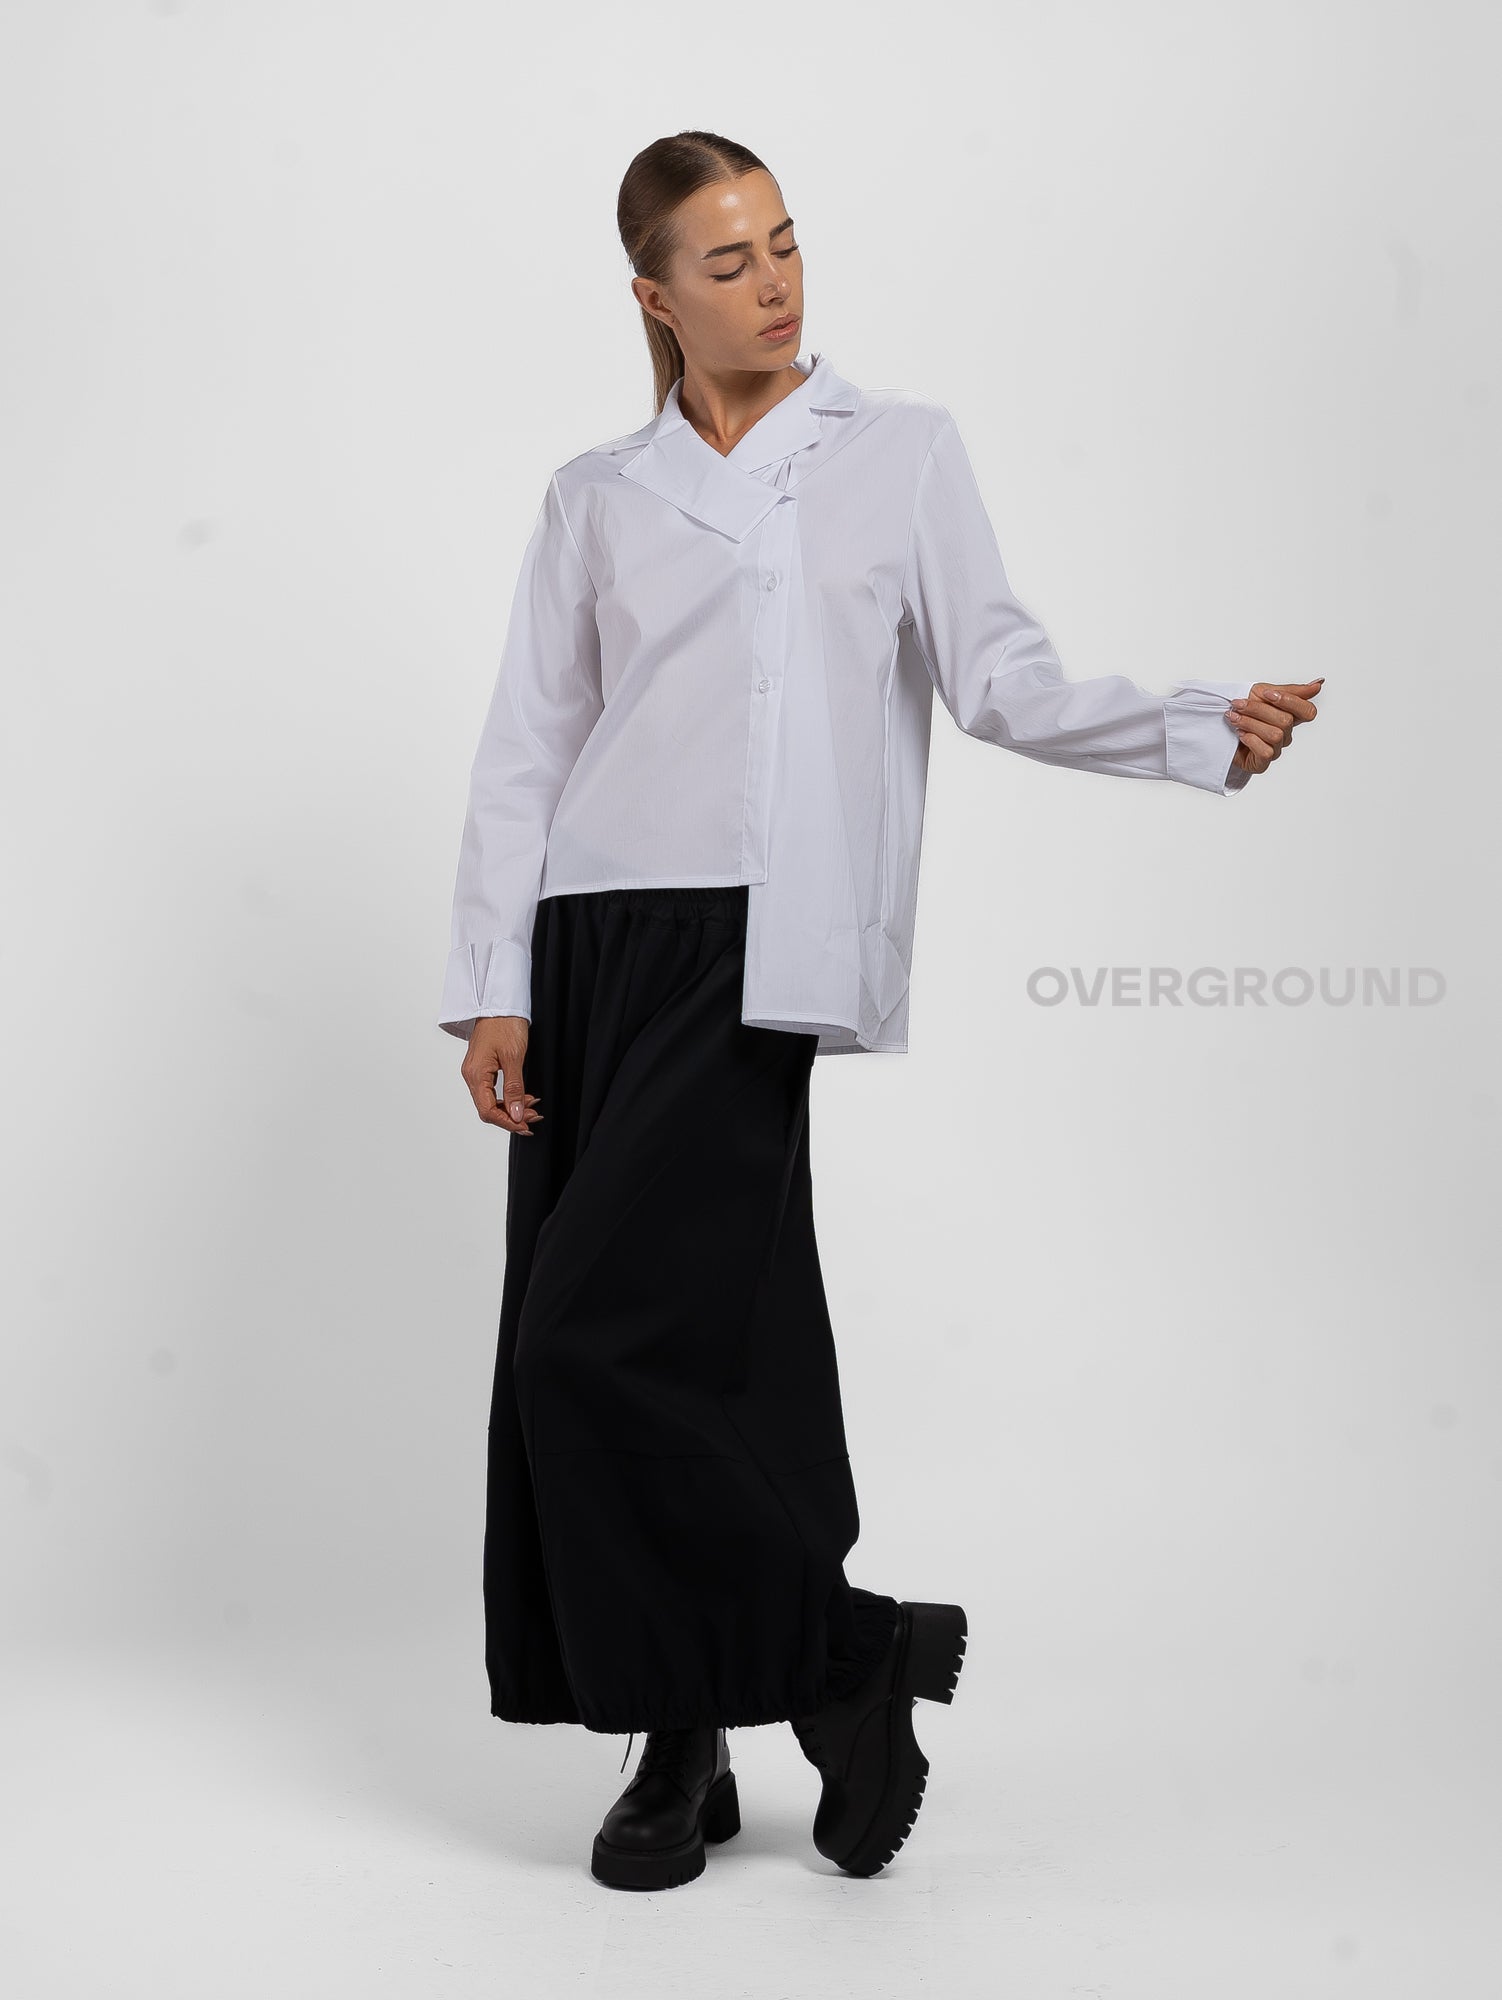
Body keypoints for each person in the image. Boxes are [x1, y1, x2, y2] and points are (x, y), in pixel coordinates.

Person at [437, 130, 1322, 1894]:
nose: (772, 283)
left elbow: (998, 679)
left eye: (783, 244)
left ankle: (840, 1656)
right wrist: (491, 990)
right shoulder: (595, 493)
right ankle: (681, 1736)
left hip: (756, 942)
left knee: (591, 1342)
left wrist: (1190, 727)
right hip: (590, 942)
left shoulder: (895, 452)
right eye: (726, 261)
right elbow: (532, 740)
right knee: (703, 1344)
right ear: (653, 295)